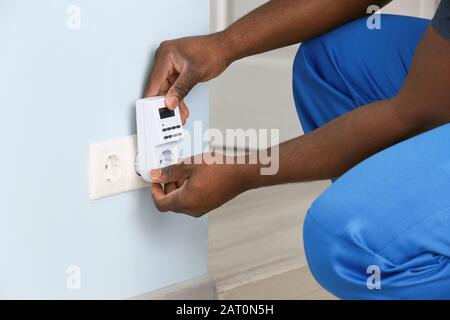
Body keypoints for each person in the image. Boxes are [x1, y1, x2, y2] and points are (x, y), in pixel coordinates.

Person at [145, 0, 450, 299]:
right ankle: (412, 228)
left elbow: (415, 112)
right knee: (332, 62)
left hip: (425, 105)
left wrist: (244, 173)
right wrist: (223, 46)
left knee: (345, 244)